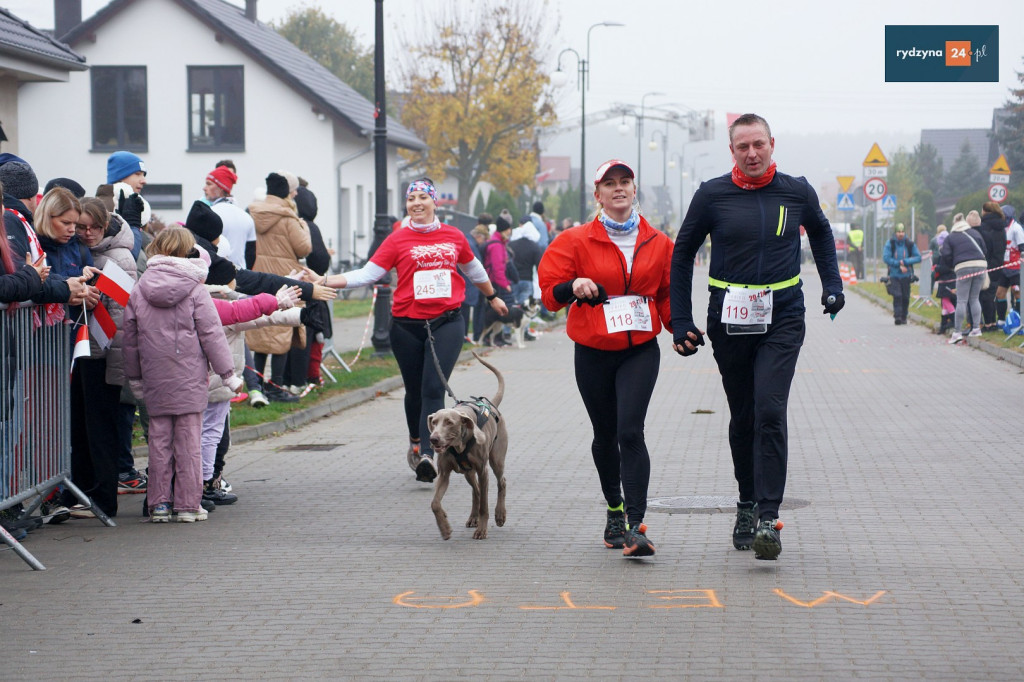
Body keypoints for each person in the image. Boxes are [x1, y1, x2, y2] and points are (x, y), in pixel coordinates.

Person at [670, 113, 843, 561]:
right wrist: (680, 319)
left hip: (783, 313)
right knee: (744, 416)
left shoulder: (796, 190)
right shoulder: (712, 195)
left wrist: (832, 285)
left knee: (770, 408)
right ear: (732, 151)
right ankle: (746, 503)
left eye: (758, 145)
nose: (751, 153)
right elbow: (682, 252)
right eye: (742, 146)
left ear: (772, 144)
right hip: (728, 316)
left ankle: (769, 516)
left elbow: (822, 235)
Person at [315, 178, 507, 482]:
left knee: (433, 388)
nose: (416, 203)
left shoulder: (454, 236)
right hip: (406, 326)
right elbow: (368, 274)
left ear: (434, 202)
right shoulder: (397, 239)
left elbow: (475, 271)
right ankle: (417, 443)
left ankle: (431, 457)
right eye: (411, 198)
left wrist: (492, 297)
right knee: (415, 391)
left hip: (446, 322)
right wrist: (324, 281)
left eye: (423, 197)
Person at [539, 159, 673, 558]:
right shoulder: (574, 240)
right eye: (609, 184)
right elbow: (549, 294)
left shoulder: (659, 242)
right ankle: (614, 509)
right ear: (597, 195)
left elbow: (666, 293)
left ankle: (635, 525)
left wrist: (679, 329)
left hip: (639, 350)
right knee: (606, 435)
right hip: (594, 350)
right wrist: (572, 285)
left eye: (625, 182)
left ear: (635, 190)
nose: (618, 188)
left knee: (631, 431)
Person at [123, 227, 242, 522]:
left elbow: (130, 339)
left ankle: (159, 505)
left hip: (154, 376)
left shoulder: (139, 288)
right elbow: (212, 334)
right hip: (189, 376)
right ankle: (188, 505)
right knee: (189, 441)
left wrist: (135, 378)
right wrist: (228, 373)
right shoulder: (195, 289)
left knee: (158, 442)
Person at [76, 198, 147, 494]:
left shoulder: (116, 258)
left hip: (103, 357)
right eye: (82, 227)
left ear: (106, 227)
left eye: (94, 227)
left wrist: (115, 369)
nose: (88, 233)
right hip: (93, 352)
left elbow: (120, 315)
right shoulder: (90, 252)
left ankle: (102, 494)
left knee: (103, 427)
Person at [245, 172, 311, 403]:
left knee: (262, 329)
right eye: (293, 191)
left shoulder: (251, 212)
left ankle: (259, 385)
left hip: (257, 277)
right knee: (282, 330)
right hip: (285, 278)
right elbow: (303, 249)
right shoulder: (289, 218)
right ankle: (277, 386)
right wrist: (303, 225)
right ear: (287, 192)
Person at [939, 213, 988, 343]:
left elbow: (946, 255)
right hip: (980, 266)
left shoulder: (951, 237)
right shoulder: (975, 233)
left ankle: (957, 332)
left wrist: (952, 266)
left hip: (963, 267)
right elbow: (984, 250)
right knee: (974, 298)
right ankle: (976, 328)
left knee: (961, 300)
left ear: (954, 224)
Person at [204, 164, 256, 270]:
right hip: (242, 274)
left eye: (209, 184)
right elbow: (251, 253)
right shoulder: (246, 216)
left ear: (220, 188)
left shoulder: (209, 214)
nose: (204, 188)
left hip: (216, 274)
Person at [882, 223, 921, 325]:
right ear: (895, 233)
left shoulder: (909, 243)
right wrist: (898, 264)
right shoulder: (890, 243)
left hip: (906, 275)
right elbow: (886, 258)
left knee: (905, 297)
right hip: (894, 275)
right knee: (897, 295)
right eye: (898, 232)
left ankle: (904, 316)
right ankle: (897, 316)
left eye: (902, 232)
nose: (900, 234)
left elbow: (918, 257)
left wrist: (906, 262)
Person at [975, 204, 1005, 331]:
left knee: (984, 295)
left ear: (986, 211)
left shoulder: (985, 226)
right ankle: (992, 322)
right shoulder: (1001, 226)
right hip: (999, 263)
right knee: (991, 293)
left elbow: (985, 247)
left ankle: (987, 324)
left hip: (987, 264)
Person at [993, 205, 1024, 324]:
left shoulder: (1016, 228)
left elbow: (1022, 247)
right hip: (1004, 267)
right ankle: (1001, 320)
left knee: (1017, 293)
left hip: (1016, 268)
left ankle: (1020, 320)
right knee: (1000, 293)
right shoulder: (1001, 228)